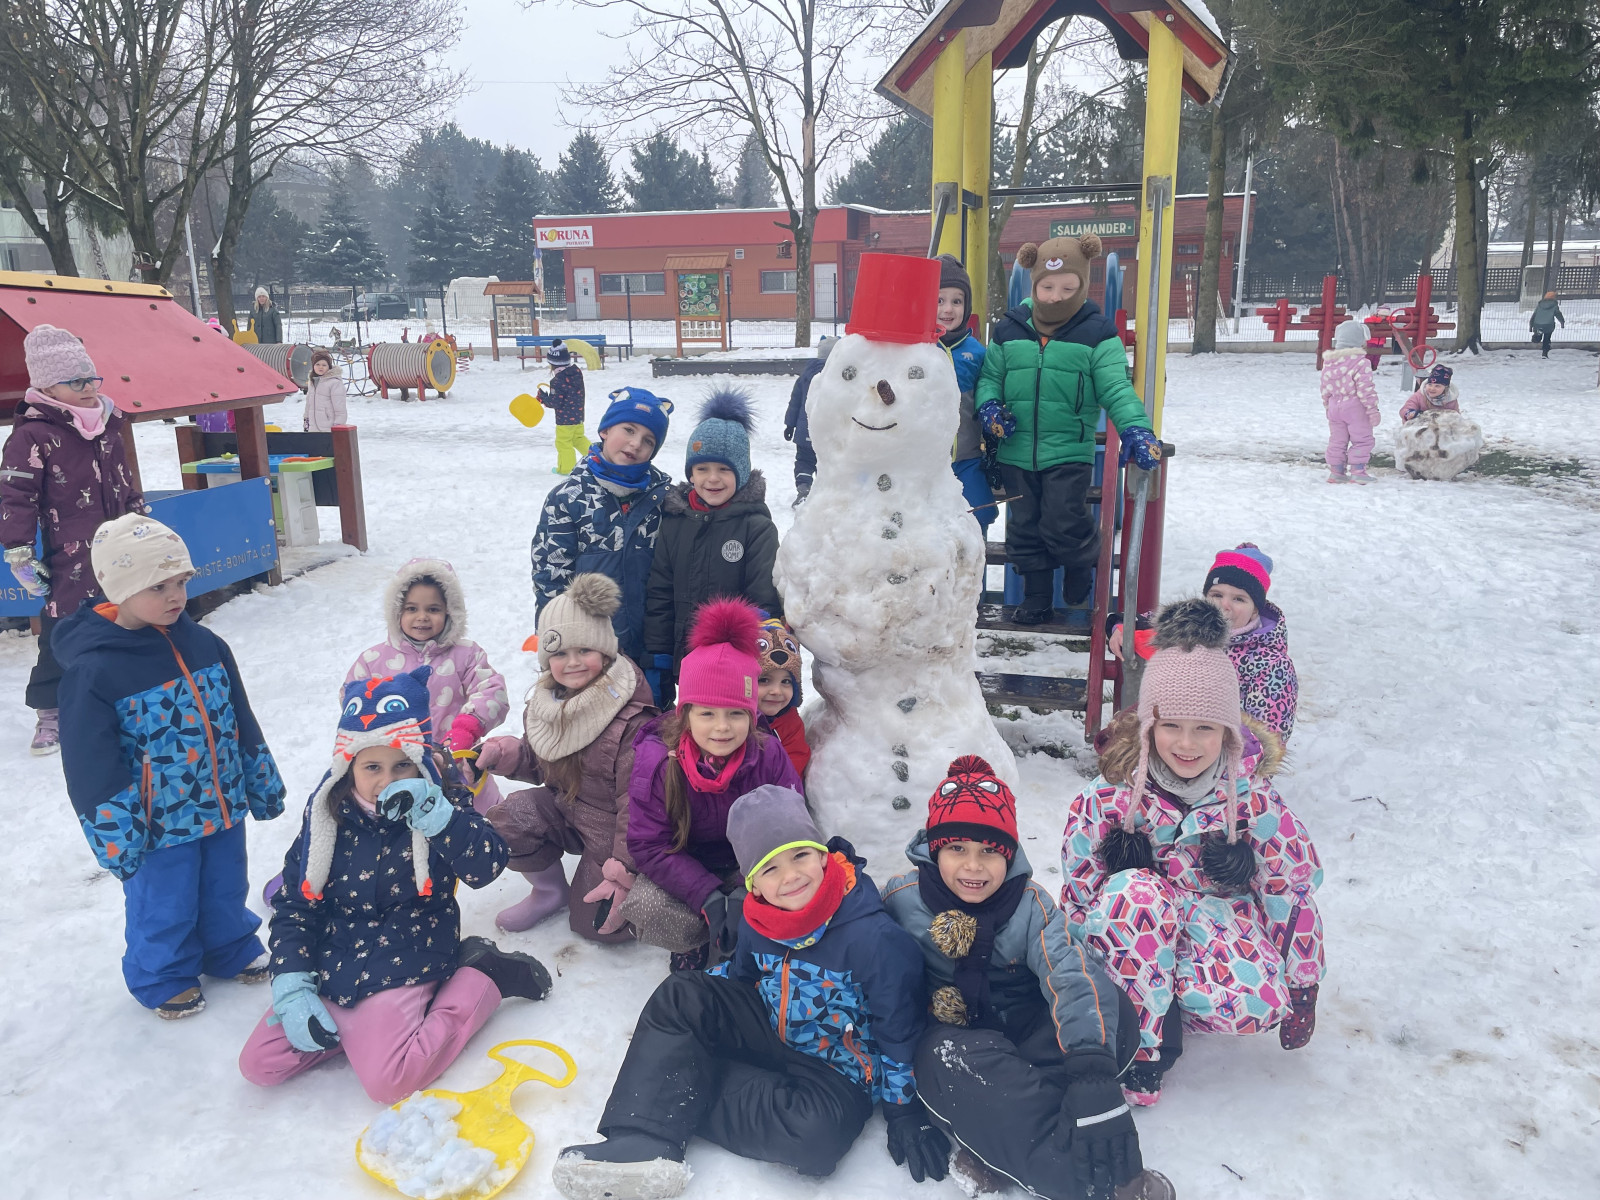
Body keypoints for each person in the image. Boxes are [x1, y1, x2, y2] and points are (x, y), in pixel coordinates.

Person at [553, 784, 940, 1199]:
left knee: (815, 1139)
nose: (790, 876)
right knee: (682, 993)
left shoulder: (874, 938)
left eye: (800, 855)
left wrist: (903, 1111)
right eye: (770, 869)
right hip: (768, 1026)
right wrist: (694, 1008)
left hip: (837, 1069)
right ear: (753, 884)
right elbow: (740, 978)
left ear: (823, 855)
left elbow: (899, 1029)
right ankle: (641, 1141)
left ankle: (673, 1089)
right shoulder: (759, 918)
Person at [238, 665, 552, 1103]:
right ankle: (352, 1030)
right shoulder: (327, 815)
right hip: (332, 958)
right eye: (372, 766)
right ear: (349, 767)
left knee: (390, 1082)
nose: (387, 780)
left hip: (408, 953)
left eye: (402, 764)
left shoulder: (441, 803)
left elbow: (487, 865)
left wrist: (439, 818)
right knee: (259, 1064)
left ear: (420, 763)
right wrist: (291, 982)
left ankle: (483, 975)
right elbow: (295, 902)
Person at [1061, 599, 1326, 1108]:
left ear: (1227, 732)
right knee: (1134, 893)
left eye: (1204, 727)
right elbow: (1077, 893)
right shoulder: (1109, 798)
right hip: (1130, 934)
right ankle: (1139, 1049)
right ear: (1148, 727)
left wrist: (1303, 983)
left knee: (1256, 1003)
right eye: (1171, 726)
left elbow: (1290, 889)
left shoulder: (1252, 800)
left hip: (1211, 926)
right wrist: (1074, 983)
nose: (1186, 743)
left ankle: (1172, 1002)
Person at [881, 756, 1173, 1200]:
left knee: (1110, 1008)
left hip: (1028, 1032)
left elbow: (1070, 974)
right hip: (961, 1041)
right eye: (957, 848)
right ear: (933, 850)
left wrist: (1092, 1072)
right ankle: (1090, 1179)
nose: (973, 866)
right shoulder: (903, 900)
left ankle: (1000, 1136)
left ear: (1010, 853)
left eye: (989, 851)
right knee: (947, 1060)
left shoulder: (1030, 905)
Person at [55, 514, 285, 1018]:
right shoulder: (95, 669)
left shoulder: (204, 643)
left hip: (221, 800)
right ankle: (162, 974)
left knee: (226, 883)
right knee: (164, 899)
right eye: (157, 586)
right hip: (157, 819)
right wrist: (114, 826)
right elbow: (89, 760)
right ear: (121, 588)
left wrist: (258, 773)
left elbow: (239, 714)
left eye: (181, 581)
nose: (175, 596)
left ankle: (228, 946)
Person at [975, 235, 1161, 624]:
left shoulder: (1097, 333)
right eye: (1047, 287)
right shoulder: (1010, 329)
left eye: (1067, 288)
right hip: (1016, 450)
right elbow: (990, 378)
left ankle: (1079, 563)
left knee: (1064, 519)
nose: (1055, 296)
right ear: (1034, 284)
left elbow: (1116, 388)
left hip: (1068, 450)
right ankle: (1037, 597)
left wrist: (1136, 429)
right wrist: (989, 407)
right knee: (1024, 527)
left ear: (1083, 285)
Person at [624, 597, 802, 972]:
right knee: (647, 906)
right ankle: (695, 941)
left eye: (736, 713)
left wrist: (745, 887)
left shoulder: (768, 754)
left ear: (751, 715)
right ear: (686, 714)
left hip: (752, 866)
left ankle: (750, 940)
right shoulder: (658, 762)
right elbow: (648, 844)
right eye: (707, 713)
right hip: (688, 865)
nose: (722, 727)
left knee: (798, 886)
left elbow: (790, 828)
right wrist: (705, 893)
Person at [476, 573, 655, 938]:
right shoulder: (548, 703)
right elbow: (543, 758)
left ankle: (650, 885)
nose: (572, 662)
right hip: (566, 807)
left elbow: (638, 804)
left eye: (584, 650)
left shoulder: (631, 720)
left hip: (612, 828)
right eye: (559, 653)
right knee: (508, 820)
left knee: (596, 927)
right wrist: (509, 755)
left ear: (605, 651)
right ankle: (549, 892)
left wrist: (624, 865)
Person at [1, 323, 145, 754]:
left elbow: (124, 480)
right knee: (61, 632)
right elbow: (15, 496)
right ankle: (51, 711)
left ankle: (116, 698)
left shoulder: (107, 425)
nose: (89, 388)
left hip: (117, 548)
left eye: (91, 378)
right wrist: (19, 553)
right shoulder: (32, 435)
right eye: (76, 382)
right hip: (65, 555)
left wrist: (140, 521)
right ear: (48, 387)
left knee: (123, 623)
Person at [643, 390, 781, 707]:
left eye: (724, 469)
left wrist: (755, 659)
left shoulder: (756, 527)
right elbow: (660, 592)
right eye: (702, 468)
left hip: (734, 662)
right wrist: (658, 656)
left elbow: (763, 601)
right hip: (684, 656)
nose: (712, 479)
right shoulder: (675, 522)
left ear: (741, 473)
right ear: (690, 473)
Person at [346, 559, 509, 813]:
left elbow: (491, 691)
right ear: (397, 612)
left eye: (433, 609)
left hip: (455, 760)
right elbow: (352, 700)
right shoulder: (374, 660)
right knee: (403, 819)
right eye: (412, 608)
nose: (422, 617)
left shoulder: (466, 654)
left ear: (450, 612)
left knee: (474, 819)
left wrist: (465, 730)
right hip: (397, 766)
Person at [530, 386, 674, 667]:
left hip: (651, 649)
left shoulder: (664, 499)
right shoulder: (568, 498)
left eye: (648, 440)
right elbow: (551, 579)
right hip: (588, 652)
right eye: (629, 430)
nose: (635, 444)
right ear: (605, 430)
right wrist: (556, 646)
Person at [1109, 543, 1299, 747]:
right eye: (1217, 595)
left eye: (1239, 599)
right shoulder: (1188, 627)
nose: (1224, 605)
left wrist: (1215, 752)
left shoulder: (1270, 663)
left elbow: (1269, 736)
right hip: (1169, 742)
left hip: (1225, 753)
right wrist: (1120, 628)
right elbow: (1142, 621)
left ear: (1255, 610)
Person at [937, 254, 998, 536]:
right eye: (939, 300)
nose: (948, 309)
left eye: (957, 301)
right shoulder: (916, 349)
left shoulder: (977, 352)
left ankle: (976, 564)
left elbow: (989, 390)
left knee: (979, 513)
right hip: (926, 464)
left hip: (967, 458)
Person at [1321, 318, 1381, 484]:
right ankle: (1358, 471)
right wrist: (1372, 410)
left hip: (1334, 405)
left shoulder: (1329, 362)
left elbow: (1324, 387)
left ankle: (1336, 472)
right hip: (1355, 406)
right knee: (1362, 439)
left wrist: (1327, 406)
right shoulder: (1361, 362)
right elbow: (1365, 388)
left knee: (1337, 440)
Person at [755, 613, 809, 778]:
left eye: (786, 681)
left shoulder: (790, 723)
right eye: (764, 680)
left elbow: (795, 760)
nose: (777, 691)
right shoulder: (732, 719)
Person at [782, 338, 834, 506]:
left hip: (804, 432)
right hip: (828, 433)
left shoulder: (805, 375)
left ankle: (804, 490)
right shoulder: (838, 377)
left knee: (804, 461)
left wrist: (790, 425)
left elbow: (795, 402)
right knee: (827, 462)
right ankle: (825, 493)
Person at [546, 341, 589, 475]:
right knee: (578, 439)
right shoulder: (576, 373)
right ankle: (599, 459)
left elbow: (555, 402)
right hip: (578, 416)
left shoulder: (557, 381)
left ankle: (566, 469)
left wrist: (543, 398)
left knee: (563, 443)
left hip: (564, 420)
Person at [303, 348, 348, 432]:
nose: (320, 367)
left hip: (329, 427)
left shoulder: (334, 383)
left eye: (324, 365)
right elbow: (308, 404)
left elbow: (340, 407)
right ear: (313, 366)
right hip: (313, 427)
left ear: (329, 367)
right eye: (317, 364)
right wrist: (306, 420)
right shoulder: (312, 381)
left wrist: (338, 425)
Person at [1529, 290, 1564, 357]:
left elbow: (1534, 315)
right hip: (1548, 325)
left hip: (1538, 324)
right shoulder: (1554, 305)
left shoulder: (1540, 305)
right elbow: (1558, 314)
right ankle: (1545, 352)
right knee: (1547, 338)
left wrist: (1531, 325)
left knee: (1539, 333)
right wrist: (1562, 322)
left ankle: (1537, 336)